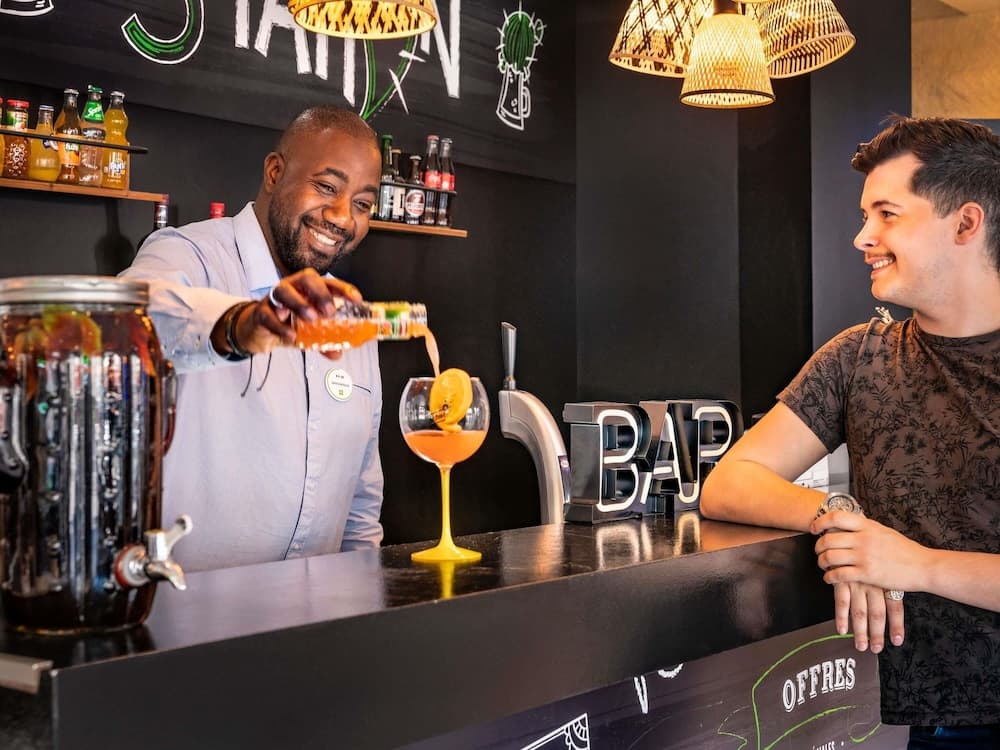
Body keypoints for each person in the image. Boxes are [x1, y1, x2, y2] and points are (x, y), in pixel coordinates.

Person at [700, 116, 1000, 748]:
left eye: (887, 214)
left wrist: (915, 565)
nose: (863, 237)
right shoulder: (859, 357)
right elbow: (729, 483)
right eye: (866, 216)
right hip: (937, 724)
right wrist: (840, 518)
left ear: (965, 224)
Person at [120, 105, 384, 572]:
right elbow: (133, 316)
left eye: (362, 204)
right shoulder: (191, 254)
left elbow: (361, 499)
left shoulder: (349, 314)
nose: (343, 217)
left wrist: (361, 593)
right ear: (275, 172)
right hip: (191, 608)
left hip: (323, 609)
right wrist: (239, 324)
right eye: (327, 187)